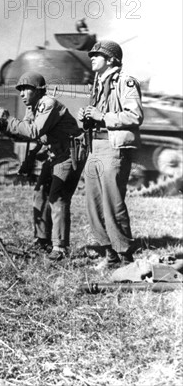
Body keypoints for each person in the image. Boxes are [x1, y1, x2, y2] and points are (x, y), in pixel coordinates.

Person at [0, 71, 85, 261]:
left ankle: (60, 247)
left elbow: (33, 130)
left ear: (37, 90)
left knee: (58, 198)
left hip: (69, 154)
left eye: (25, 89)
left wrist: (8, 120)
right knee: (40, 194)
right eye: (20, 90)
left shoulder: (48, 103)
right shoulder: (33, 107)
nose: (21, 94)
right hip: (54, 154)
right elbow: (28, 134)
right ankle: (42, 240)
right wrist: (31, 156)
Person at [77, 40, 144, 268]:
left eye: (97, 55)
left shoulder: (125, 82)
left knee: (113, 203)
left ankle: (125, 257)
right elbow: (99, 114)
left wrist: (102, 117)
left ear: (111, 59)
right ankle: (110, 255)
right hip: (95, 146)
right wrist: (88, 117)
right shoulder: (98, 82)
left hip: (113, 147)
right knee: (93, 204)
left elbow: (134, 116)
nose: (92, 58)